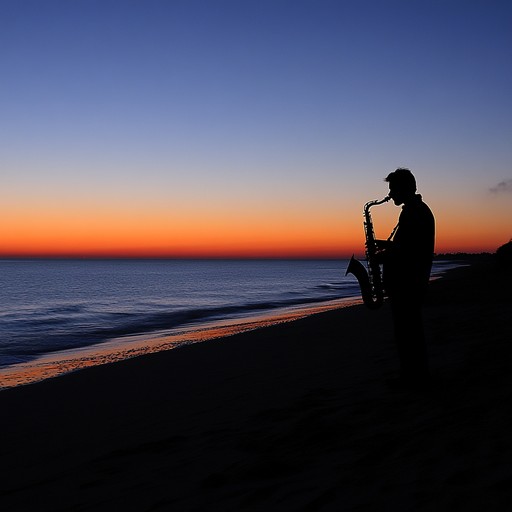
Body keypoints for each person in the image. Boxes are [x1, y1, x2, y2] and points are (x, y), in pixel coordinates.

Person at [377, 168, 435, 389]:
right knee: (409, 332)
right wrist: (385, 245)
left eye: (393, 189)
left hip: (408, 283)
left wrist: (381, 258)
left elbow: (408, 251)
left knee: (407, 333)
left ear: (404, 188)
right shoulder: (415, 210)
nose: (390, 194)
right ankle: (414, 375)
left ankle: (414, 379)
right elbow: (407, 245)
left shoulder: (414, 212)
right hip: (411, 282)